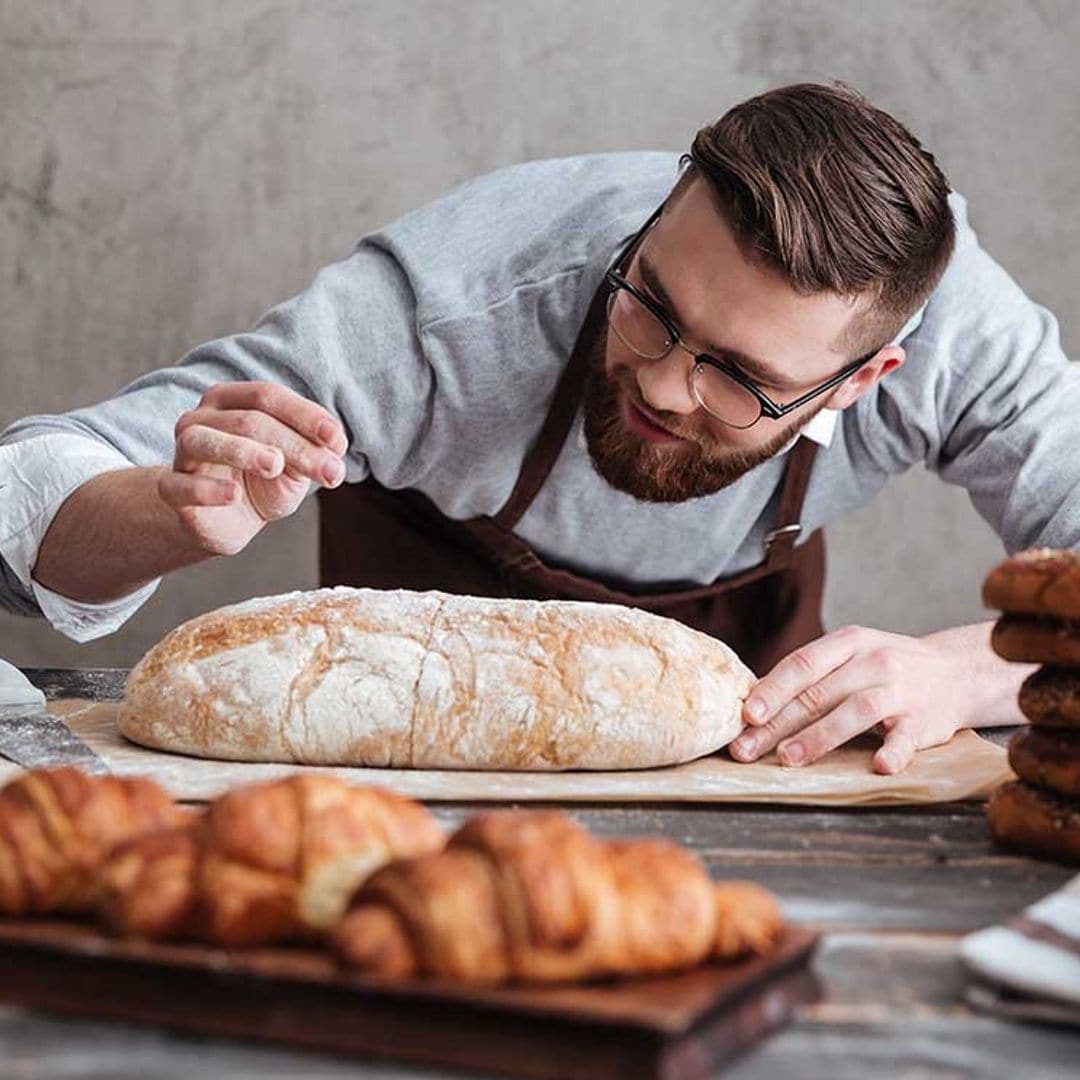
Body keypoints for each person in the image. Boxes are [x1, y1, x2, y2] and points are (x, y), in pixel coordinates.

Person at [2, 82, 1076, 774]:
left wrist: (969, 673)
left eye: (741, 378)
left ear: (864, 378)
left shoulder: (959, 341)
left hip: (755, 787)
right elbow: (27, 503)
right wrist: (169, 511)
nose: (661, 385)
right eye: (651, 303)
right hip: (395, 782)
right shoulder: (453, 307)